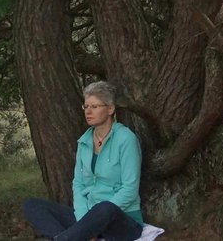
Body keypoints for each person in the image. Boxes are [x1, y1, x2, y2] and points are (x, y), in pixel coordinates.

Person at [23, 81, 144, 241]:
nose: (88, 111)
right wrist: (85, 223)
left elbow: (130, 189)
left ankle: (66, 238)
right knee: (32, 205)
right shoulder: (85, 141)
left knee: (106, 207)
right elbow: (78, 184)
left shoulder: (125, 139)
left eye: (94, 107)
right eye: (86, 107)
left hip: (120, 219)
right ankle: (71, 237)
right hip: (88, 216)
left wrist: (94, 222)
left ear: (110, 109)